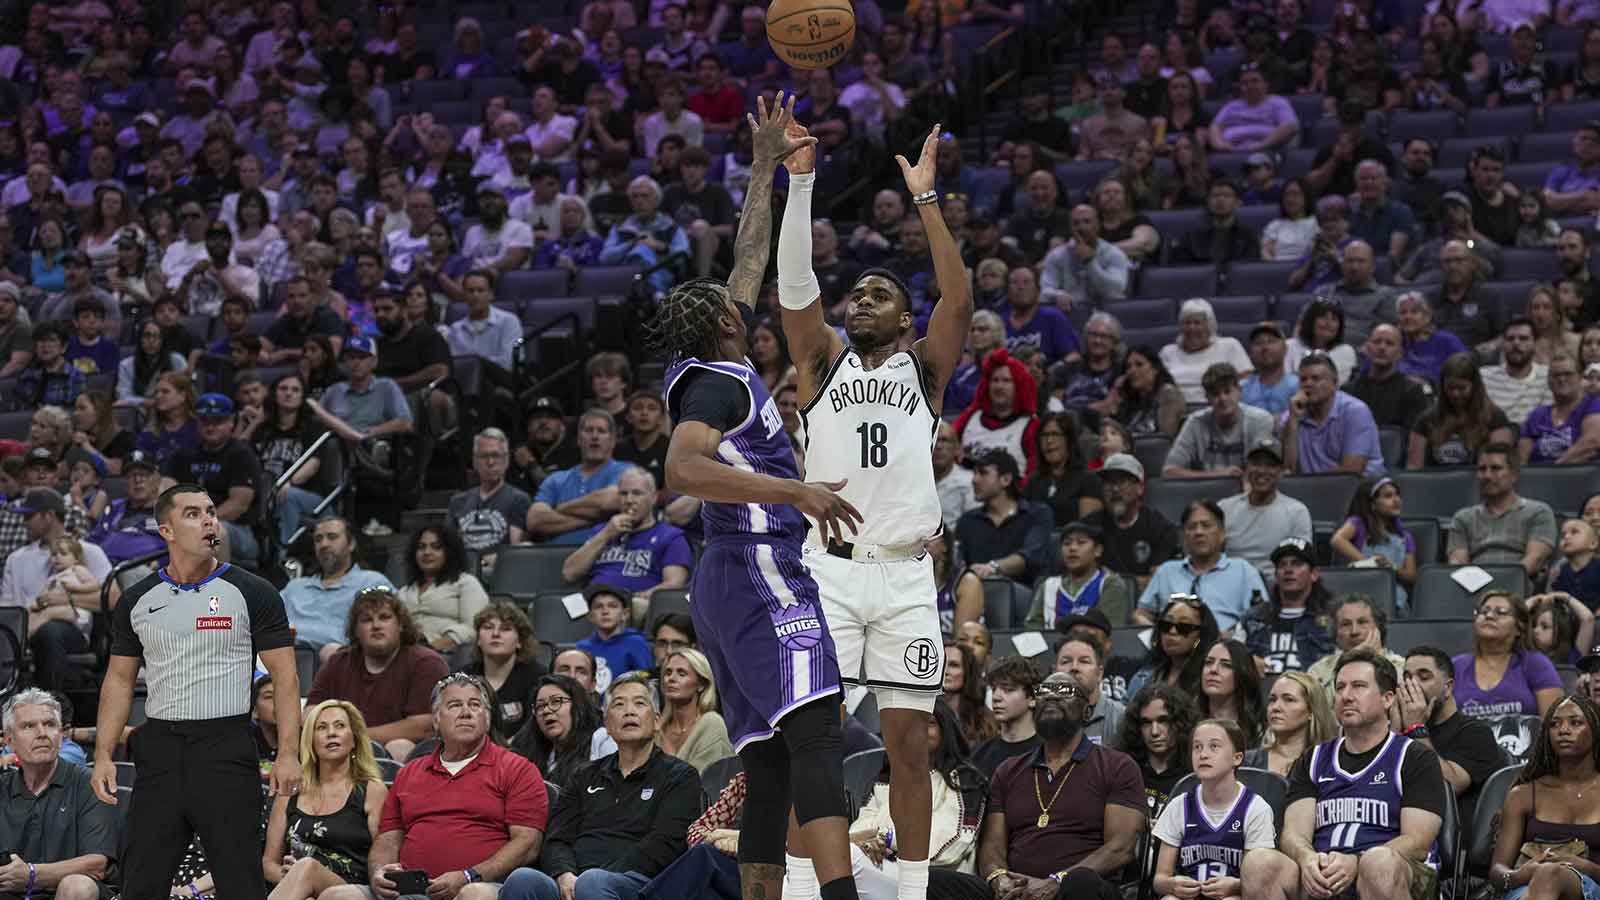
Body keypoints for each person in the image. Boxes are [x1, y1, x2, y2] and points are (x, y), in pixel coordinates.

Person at [652, 93, 862, 900]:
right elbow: (682, 469)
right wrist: (796, 489)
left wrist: (766, 164)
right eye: (730, 309)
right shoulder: (715, 384)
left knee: (769, 755)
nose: (742, 302)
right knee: (815, 730)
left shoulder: (713, 360)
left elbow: (747, 259)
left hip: (725, 579)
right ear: (722, 330)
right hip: (757, 564)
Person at [91, 483, 302, 899]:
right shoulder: (137, 599)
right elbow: (118, 680)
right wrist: (102, 754)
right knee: (141, 884)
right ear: (166, 530)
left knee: (240, 883)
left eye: (210, 510)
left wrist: (289, 754)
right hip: (160, 751)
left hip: (225, 748)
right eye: (193, 513)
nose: (208, 519)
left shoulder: (252, 591)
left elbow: (286, 679)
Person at [1241, 649, 1447, 900]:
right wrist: (1307, 859)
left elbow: (1417, 842)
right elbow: (1294, 832)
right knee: (1259, 863)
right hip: (1325, 873)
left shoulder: (1415, 757)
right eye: (1340, 688)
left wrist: (1356, 862)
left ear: (1388, 698)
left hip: (1393, 872)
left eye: (1359, 686)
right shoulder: (1313, 759)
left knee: (1378, 863)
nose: (1346, 696)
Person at [500, 672, 702, 900]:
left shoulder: (680, 776)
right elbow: (557, 838)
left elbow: (665, 845)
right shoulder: (583, 775)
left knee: (594, 883)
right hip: (576, 881)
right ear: (606, 723)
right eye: (618, 704)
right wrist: (565, 874)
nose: (629, 711)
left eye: (639, 703)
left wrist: (598, 876)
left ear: (656, 721)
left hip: (640, 883)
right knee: (522, 879)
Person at [953, 672, 1144, 900]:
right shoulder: (1008, 770)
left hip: (1078, 889)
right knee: (936, 881)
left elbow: (1120, 848)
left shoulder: (1117, 766)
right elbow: (992, 845)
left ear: (1087, 712)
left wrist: (1057, 881)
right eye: (1044, 691)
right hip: (1016, 891)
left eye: (1064, 691)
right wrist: (999, 878)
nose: (1052, 696)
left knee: (1081, 881)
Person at [363, 674, 548, 897]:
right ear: (436, 721)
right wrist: (379, 873)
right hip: (412, 891)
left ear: (487, 718)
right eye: (454, 705)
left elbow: (527, 844)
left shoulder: (517, 769)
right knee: (340, 896)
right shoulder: (409, 773)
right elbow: (388, 839)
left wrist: (469, 875)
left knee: (473, 894)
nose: (466, 713)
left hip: (484, 886)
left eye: (475, 705)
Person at [261, 699, 388, 900]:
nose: (331, 733)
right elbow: (268, 863)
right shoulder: (290, 792)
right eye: (321, 727)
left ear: (354, 739)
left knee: (308, 867)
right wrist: (288, 875)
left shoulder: (371, 790)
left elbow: (384, 851)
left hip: (353, 888)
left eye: (340, 726)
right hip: (300, 886)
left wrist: (302, 872)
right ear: (311, 741)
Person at [0, 688, 119, 900]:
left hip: (70, 891)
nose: (42, 733)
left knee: (77, 885)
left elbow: (97, 864)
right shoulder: (3, 787)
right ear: (9, 741)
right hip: (11, 892)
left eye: (49, 724)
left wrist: (32, 875)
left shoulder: (90, 783)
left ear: (61, 735)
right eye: (28, 726)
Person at [306, 586, 449, 761]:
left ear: (401, 625)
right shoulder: (338, 663)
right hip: (342, 750)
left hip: (405, 758)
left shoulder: (426, 663)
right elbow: (311, 713)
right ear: (356, 630)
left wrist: (356, 736)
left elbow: (423, 726)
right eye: (366, 620)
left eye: (385, 617)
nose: (376, 626)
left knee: (399, 746)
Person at [1488, 694, 1600, 900]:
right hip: (1525, 889)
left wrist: (1586, 867)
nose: (1563, 730)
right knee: (1545, 875)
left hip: (1592, 889)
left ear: (1595, 730)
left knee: (1550, 874)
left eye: (1575, 723)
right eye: (1555, 724)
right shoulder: (1523, 794)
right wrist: (1518, 874)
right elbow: (1497, 870)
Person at [1152, 718, 1277, 900]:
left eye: (1214, 747)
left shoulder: (1256, 809)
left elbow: (1261, 882)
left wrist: (1236, 885)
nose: (1203, 754)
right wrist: (1172, 885)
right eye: (1197, 747)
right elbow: (1159, 880)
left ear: (1237, 757)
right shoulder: (1180, 805)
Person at [0, 489, 112, 690]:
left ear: (49, 516)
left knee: (48, 631)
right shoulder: (17, 559)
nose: (24, 522)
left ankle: (52, 703)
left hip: (72, 629)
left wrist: (60, 600)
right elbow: (7, 607)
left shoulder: (87, 551)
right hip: (25, 625)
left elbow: (112, 599)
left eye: (29, 516)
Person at [560, 466, 691, 617]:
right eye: (623, 494)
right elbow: (569, 573)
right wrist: (606, 534)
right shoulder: (602, 531)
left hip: (634, 608)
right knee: (555, 607)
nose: (629, 500)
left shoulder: (671, 536)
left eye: (637, 493)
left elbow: (674, 584)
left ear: (653, 498)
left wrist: (635, 598)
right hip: (592, 604)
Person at [1398, 646, 1505, 825]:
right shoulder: (1399, 728)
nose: (1412, 685)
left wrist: (1416, 729)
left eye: (1423, 677)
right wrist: (1394, 732)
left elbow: (1448, 786)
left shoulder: (1476, 733)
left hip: (1452, 841)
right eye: (1407, 678)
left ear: (1447, 687)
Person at [1136, 501, 1268, 632]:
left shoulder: (1243, 571)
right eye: (1192, 527)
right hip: (1175, 647)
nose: (1198, 532)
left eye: (1206, 525)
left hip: (1226, 646)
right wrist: (1159, 635)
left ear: (1222, 534)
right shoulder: (1167, 571)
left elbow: (1260, 617)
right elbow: (1140, 614)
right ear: (1184, 537)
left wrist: (1232, 638)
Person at [164, 393, 264, 564]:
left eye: (217, 422)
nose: (210, 427)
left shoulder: (241, 454)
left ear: (231, 422)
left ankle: (217, 587)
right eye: (205, 421)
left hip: (237, 531)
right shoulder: (184, 454)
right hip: (189, 524)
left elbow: (237, 506)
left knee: (213, 534)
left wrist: (196, 522)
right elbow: (166, 489)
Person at [281, 517, 394, 663]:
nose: (324, 544)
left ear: (351, 544)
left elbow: (393, 628)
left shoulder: (371, 582)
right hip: (286, 657)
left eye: (332, 537)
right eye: (318, 539)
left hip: (342, 662)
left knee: (331, 652)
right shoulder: (295, 587)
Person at [1448, 444, 1558, 578]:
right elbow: (1458, 565)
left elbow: (1535, 560)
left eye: (1495, 468)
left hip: (1520, 586)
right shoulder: (1462, 518)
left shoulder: (1538, 512)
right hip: (1474, 588)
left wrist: (1502, 584)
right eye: (1482, 469)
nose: (1487, 475)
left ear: (1514, 475)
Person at [1453, 589, 1565, 721]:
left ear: (1519, 627)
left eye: (1501, 612)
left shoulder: (1536, 664)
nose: (1489, 616)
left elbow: (1555, 724)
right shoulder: (1456, 666)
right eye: (1483, 611)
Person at [525, 410, 629, 546]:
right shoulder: (556, 479)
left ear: (613, 440)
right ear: (579, 439)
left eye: (601, 431)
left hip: (606, 556)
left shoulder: (626, 471)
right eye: (589, 430)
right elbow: (535, 520)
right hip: (557, 559)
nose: (595, 436)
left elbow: (611, 501)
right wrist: (600, 518)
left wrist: (559, 508)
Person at [956, 449, 1055, 585]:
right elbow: (958, 564)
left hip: (1025, 595)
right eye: (974, 473)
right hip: (977, 593)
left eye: (983, 473)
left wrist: (993, 567)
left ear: (1006, 479)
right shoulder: (968, 521)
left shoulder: (1036, 514)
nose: (974, 480)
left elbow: (1031, 555)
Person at [1162, 364, 1277, 480]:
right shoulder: (1195, 422)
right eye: (1215, 394)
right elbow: (1169, 472)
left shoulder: (1260, 420)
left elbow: (1263, 471)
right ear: (1207, 398)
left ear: (1239, 391)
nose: (1222, 399)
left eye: (1227, 392)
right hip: (1208, 492)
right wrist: (1220, 474)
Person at [1243, 538, 1337, 676]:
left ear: (1314, 574)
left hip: (1312, 693)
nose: (1288, 570)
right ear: (1276, 575)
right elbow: (1229, 656)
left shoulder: (1333, 618)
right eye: (1282, 565)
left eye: (1297, 564)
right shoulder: (1252, 618)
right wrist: (1246, 662)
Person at [1086, 453, 1181, 588]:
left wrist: (1114, 581)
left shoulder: (1161, 528)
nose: (1115, 489)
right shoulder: (1089, 527)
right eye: (1109, 482)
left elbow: (1159, 584)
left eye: (1122, 481)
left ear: (1140, 488)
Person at [1218, 437, 1313, 572]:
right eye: (1256, 463)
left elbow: (1301, 563)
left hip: (1276, 586)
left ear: (1280, 472)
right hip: (1232, 582)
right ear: (1246, 468)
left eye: (1270, 465)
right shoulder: (1225, 508)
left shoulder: (1296, 511)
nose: (1262, 471)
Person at [1409, 353, 1518, 468]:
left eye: (1462, 388)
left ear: (1475, 386)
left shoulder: (1495, 418)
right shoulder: (1425, 420)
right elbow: (1414, 468)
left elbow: (1499, 466)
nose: (1455, 394)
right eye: (1450, 388)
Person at [509, 674, 617, 785]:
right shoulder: (535, 754)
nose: (546, 710)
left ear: (578, 705)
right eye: (540, 706)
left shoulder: (601, 740)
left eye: (556, 701)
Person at [460, 601, 545, 739]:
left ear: (519, 641)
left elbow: (535, 729)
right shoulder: (463, 678)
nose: (495, 634)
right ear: (478, 640)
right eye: (488, 627)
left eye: (505, 629)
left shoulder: (537, 677)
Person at [1026, 521, 1133, 629]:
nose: (1072, 548)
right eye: (1067, 543)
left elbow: (1109, 631)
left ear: (1097, 550)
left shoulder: (1110, 584)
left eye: (1081, 542)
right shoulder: (1048, 586)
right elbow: (1032, 630)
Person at [1306, 595, 1408, 702]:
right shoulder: (1319, 671)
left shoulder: (1402, 668)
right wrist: (1352, 659)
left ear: (1378, 628)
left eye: (1362, 622)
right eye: (1346, 624)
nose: (1354, 631)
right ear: (1335, 633)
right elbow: (1320, 712)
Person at [1119, 682, 1198, 815]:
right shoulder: (1124, 771)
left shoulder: (1194, 775)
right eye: (1146, 723)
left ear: (1180, 723)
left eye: (1163, 721)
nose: (1154, 732)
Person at [1242, 671, 1337, 777]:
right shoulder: (1245, 762)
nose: (1276, 707)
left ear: (1311, 711)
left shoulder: (1329, 767)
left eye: (1289, 700)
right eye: (1272, 700)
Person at [1161, 300, 1254, 406]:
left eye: (1197, 323)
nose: (1192, 328)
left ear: (1209, 326)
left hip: (1218, 405)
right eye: (1187, 323)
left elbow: (1248, 381)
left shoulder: (1229, 345)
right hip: (1176, 406)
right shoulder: (1168, 351)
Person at [655, 647, 733, 772]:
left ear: (701, 684)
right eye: (668, 673)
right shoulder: (656, 729)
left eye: (681, 673)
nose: (671, 679)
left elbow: (703, 782)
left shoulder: (712, 724)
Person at [1346, 324, 1435, 433]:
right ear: (1368, 349)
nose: (1382, 347)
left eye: (1389, 343)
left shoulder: (1412, 391)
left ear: (1400, 353)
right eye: (1377, 342)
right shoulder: (1348, 391)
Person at [1130, 595, 1221, 698]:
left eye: (1184, 626)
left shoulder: (1211, 679)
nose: (1172, 632)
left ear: (1201, 635)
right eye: (1166, 624)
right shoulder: (1143, 678)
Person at [1522, 351, 1600, 464]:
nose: (1561, 379)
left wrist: (1556, 470)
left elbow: (1592, 443)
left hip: (1581, 478)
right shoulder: (1537, 415)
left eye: (1568, 374)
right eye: (1555, 375)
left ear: (1580, 377)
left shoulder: (1593, 405)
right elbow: (1522, 460)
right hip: (1538, 479)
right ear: (1548, 381)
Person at [1024, 414, 1103, 526]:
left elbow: (1087, 531)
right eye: (1044, 435)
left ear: (1069, 441)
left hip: (1071, 541)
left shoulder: (1089, 481)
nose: (1049, 441)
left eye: (1055, 434)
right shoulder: (1033, 481)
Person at [972, 656, 1043, 776]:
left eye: (1008, 689)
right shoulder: (978, 754)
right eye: (994, 689)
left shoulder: (1049, 753)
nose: (996, 697)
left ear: (1032, 698)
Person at [1055, 634, 1128, 747]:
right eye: (1065, 661)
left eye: (1084, 661)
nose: (1074, 667)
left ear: (1099, 673)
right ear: (1055, 672)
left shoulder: (1120, 717)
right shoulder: (1043, 717)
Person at [576, 584, 653, 688]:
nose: (605, 611)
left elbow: (646, 678)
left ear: (625, 614)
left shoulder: (636, 643)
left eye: (612, 606)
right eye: (599, 607)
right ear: (590, 616)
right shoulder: (582, 648)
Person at [1484, 319, 1555, 429]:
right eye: (1510, 339)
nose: (1516, 343)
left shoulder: (1549, 376)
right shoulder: (1484, 376)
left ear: (1535, 343)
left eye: (1523, 338)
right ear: (1503, 344)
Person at [1198, 639, 1268, 747]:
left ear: (1242, 674)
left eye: (1226, 665)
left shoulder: (1261, 731)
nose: (1213, 670)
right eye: (1208, 662)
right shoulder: (1186, 724)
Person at [942, 640, 998, 746]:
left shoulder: (985, 722)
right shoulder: (921, 716)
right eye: (940, 663)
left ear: (967, 672)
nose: (945, 671)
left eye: (953, 665)